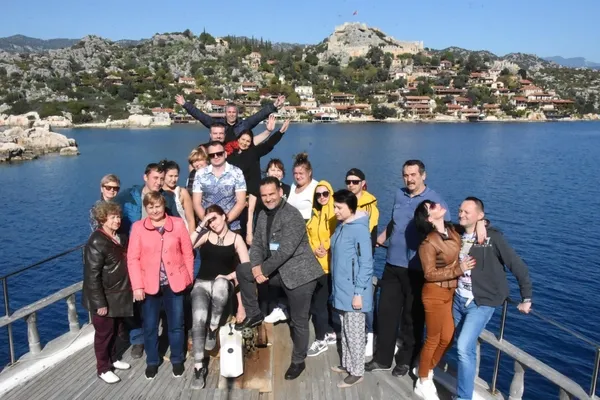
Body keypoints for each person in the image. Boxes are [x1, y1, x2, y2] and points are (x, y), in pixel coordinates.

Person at [366, 160, 449, 377]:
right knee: (386, 313)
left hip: (417, 268)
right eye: (405, 175)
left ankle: (405, 360)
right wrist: (382, 237)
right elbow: (395, 222)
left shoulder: (435, 200)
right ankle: (382, 358)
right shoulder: (399, 194)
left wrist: (481, 224)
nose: (409, 179)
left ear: (423, 175)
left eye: (413, 175)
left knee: (412, 317)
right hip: (392, 264)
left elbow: (446, 230)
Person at [235, 177, 323, 380]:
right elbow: (257, 244)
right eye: (264, 195)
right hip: (276, 270)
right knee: (243, 270)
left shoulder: (292, 215)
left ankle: (298, 361)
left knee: (299, 321)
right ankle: (254, 313)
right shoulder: (263, 214)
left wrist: (262, 271)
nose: (268, 199)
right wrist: (255, 268)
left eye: (271, 194)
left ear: (281, 192)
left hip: (300, 273)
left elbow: (285, 251)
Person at [453, 197, 532, 400]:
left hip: (481, 302)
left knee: (463, 347)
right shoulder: (456, 233)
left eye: (466, 212)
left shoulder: (492, 238)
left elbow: (517, 265)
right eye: (460, 210)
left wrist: (526, 297)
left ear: (480, 215)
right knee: (458, 344)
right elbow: (438, 222)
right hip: (457, 299)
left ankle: (463, 397)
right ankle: (460, 388)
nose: (461, 214)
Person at [114, 162, 180, 359]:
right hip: (132, 254)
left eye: (161, 179)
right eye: (155, 178)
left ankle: (159, 333)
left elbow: (175, 222)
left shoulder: (167, 198)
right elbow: (109, 210)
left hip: (158, 257)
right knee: (134, 298)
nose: (159, 182)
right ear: (145, 177)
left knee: (154, 299)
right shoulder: (129, 196)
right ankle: (138, 338)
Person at [412, 200, 476, 400]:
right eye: (431, 206)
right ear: (429, 219)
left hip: (451, 293)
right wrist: (459, 269)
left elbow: (472, 224)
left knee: (447, 338)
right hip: (434, 294)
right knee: (433, 339)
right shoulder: (428, 243)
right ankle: (422, 380)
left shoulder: (452, 230)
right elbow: (429, 274)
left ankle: (426, 368)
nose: (437, 204)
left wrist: (482, 223)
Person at [127, 191, 194, 380]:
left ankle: (177, 359)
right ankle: (152, 361)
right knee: (149, 326)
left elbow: (188, 253)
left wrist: (188, 278)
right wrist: (137, 286)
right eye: (150, 207)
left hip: (175, 284)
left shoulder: (178, 224)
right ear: (146, 208)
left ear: (164, 206)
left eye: (158, 206)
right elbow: (132, 259)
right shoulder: (138, 228)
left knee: (176, 325)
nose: (155, 210)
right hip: (149, 286)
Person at [188, 204, 249, 388]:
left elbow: (246, 268)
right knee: (198, 318)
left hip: (223, 284)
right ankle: (198, 367)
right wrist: (202, 224)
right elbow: (187, 245)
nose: (212, 223)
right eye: (209, 221)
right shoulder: (206, 235)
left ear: (224, 216)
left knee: (221, 284)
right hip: (202, 282)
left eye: (214, 218)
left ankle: (213, 328)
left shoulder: (236, 238)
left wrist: (229, 277)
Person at [83, 201, 133, 384]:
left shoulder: (120, 237)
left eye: (118, 217)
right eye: (112, 217)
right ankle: (102, 368)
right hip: (105, 297)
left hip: (119, 295)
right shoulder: (96, 241)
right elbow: (92, 276)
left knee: (116, 331)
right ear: (102, 219)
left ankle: (113, 358)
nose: (117, 220)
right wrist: (99, 303)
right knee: (104, 334)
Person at [329, 189, 374, 388]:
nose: (335, 211)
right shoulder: (342, 225)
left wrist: (359, 292)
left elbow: (366, 263)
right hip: (341, 289)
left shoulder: (360, 230)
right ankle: (348, 364)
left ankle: (357, 372)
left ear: (350, 207)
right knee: (345, 330)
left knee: (355, 334)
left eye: (339, 207)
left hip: (354, 291)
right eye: (334, 207)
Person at [228, 115, 291, 244]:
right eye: (243, 139)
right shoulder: (229, 156)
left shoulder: (253, 152)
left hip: (252, 194)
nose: (244, 143)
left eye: (248, 141)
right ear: (238, 139)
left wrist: (280, 132)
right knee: (234, 226)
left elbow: (268, 145)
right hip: (235, 195)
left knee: (250, 221)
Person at [344, 168, 380, 357]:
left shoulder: (370, 204)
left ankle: (370, 334)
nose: (351, 185)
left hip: (362, 256)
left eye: (355, 182)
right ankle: (351, 332)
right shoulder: (345, 201)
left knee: (365, 295)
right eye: (348, 181)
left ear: (363, 183)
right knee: (349, 294)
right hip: (347, 257)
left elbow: (365, 229)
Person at [306, 180, 338, 357]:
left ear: (331, 194)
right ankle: (328, 331)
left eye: (325, 193)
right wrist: (313, 249)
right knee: (320, 301)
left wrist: (325, 246)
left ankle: (320, 340)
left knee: (319, 304)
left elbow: (336, 233)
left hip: (329, 267)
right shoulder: (315, 215)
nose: (322, 197)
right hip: (315, 265)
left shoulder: (335, 213)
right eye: (318, 195)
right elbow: (309, 237)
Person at [175, 94, 286, 143]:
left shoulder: (244, 125)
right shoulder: (217, 125)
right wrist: (185, 104)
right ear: (225, 113)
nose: (231, 114)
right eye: (229, 112)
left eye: (233, 112)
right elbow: (200, 116)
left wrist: (274, 105)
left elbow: (259, 115)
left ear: (237, 113)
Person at [259, 158, 292, 324]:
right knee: (265, 270)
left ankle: (282, 306)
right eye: (272, 169)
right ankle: (265, 307)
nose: (276, 172)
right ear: (267, 172)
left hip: (282, 234)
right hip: (266, 233)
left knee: (280, 269)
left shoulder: (289, 189)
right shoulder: (262, 188)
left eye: (279, 170)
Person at [192, 141, 247, 233]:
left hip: (231, 226)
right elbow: (196, 203)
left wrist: (224, 222)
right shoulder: (200, 174)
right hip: (206, 227)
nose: (216, 157)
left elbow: (241, 202)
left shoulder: (237, 172)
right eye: (212, 155)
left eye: (219, 154)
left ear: (225, 154)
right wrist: (208, 222)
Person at [161, 160, 196, 233]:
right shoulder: (158, 192)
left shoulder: (182, 192)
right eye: (170, 176)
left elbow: (190, 219)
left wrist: (191, 237)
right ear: (164, 175)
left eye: (176, 176)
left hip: (181, 231)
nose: (173, 179)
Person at [287, 153, 319, 222]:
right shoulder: (293, 185)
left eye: (301, 173)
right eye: (295, 173)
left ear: (309, 173)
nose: (298, 177)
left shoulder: (316, 187)